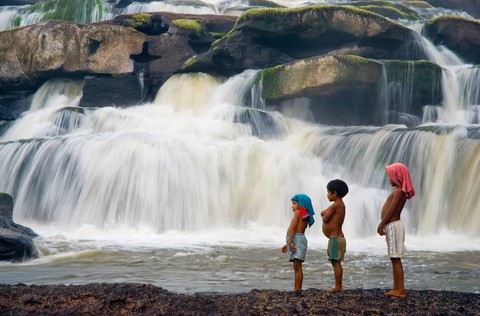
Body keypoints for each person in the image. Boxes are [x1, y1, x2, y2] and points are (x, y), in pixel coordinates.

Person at [377, 162, 415, 298]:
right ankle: (397, 287)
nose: (388, 179)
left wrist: (381, 224)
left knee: (395, 258)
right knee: (394, 258)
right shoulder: (399, 191)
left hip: (393, 226)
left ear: (397, 176)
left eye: (390, 176)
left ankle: (400, 289)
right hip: (392, 226)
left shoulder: (399, 192)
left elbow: (391, 211)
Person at [282, 194, 315, 293]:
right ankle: (297, 287)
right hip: (296, 239)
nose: (292, 206)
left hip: (297, 239)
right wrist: (287, 243)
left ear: (302, 204)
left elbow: (293, 228)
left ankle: (297, 288)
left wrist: (291, 241)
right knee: (296, 265)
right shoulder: (303, 213)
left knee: (297, 266)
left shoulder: (298, 212)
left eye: (294, 203)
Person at [320, 179, 349, 292]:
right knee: (335, 262)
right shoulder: (338, 205)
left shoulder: (336, 205)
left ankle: (338, 286)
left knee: (335, 263)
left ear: (334, 193)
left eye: (328, 192)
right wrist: (325, 212)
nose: (327, 195)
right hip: (336, 238)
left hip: (336, 239)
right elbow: (324, 212)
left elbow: (325, 218)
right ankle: (339, 285)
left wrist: (324, 214)